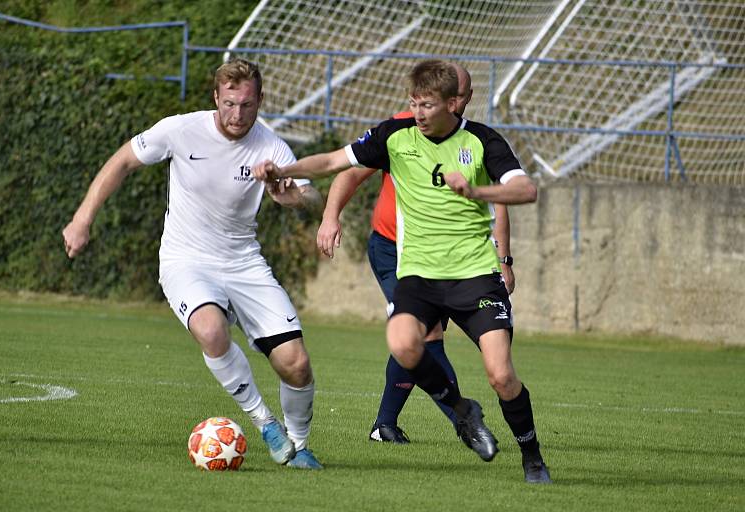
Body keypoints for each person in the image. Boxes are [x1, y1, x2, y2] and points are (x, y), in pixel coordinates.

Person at [255, 59, 550, 483]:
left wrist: (475, 190)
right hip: (420, 276)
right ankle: (463, 410)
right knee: (402, 343)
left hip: (475, 275)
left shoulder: (483, 141)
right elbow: (334, 163)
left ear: (453, 104)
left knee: (502, 376)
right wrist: (283, 170)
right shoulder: (394, 136)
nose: (419, 113)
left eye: (428, 105)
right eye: (413, 103)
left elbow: (526, 190)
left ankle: (532, 457)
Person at [62, 59, 323, 470]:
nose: (238, 115)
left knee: (296, 363)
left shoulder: (271, 147)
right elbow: (122, 161)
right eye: (230, 103)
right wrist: (82, 219)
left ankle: (299, 446)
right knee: (210, 330)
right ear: (216, 99)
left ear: (260, 102)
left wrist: (292, 197)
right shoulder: (180, 130)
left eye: (248, 105)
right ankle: (264, 422)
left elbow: (312, 200)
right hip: (186, 259)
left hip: (244, 263)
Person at [316, 64, 516, 444]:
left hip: (452, 257)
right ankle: (462, 418)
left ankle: (386, 425)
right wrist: (330, 216)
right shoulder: (402, 129)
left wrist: (503, 259)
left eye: (464, 96)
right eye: (453, 94)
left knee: (419, 337)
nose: (459, 102)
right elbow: (349, 170)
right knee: (425, 334)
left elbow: (498, 203)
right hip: (394, 250)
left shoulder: (473, 141)